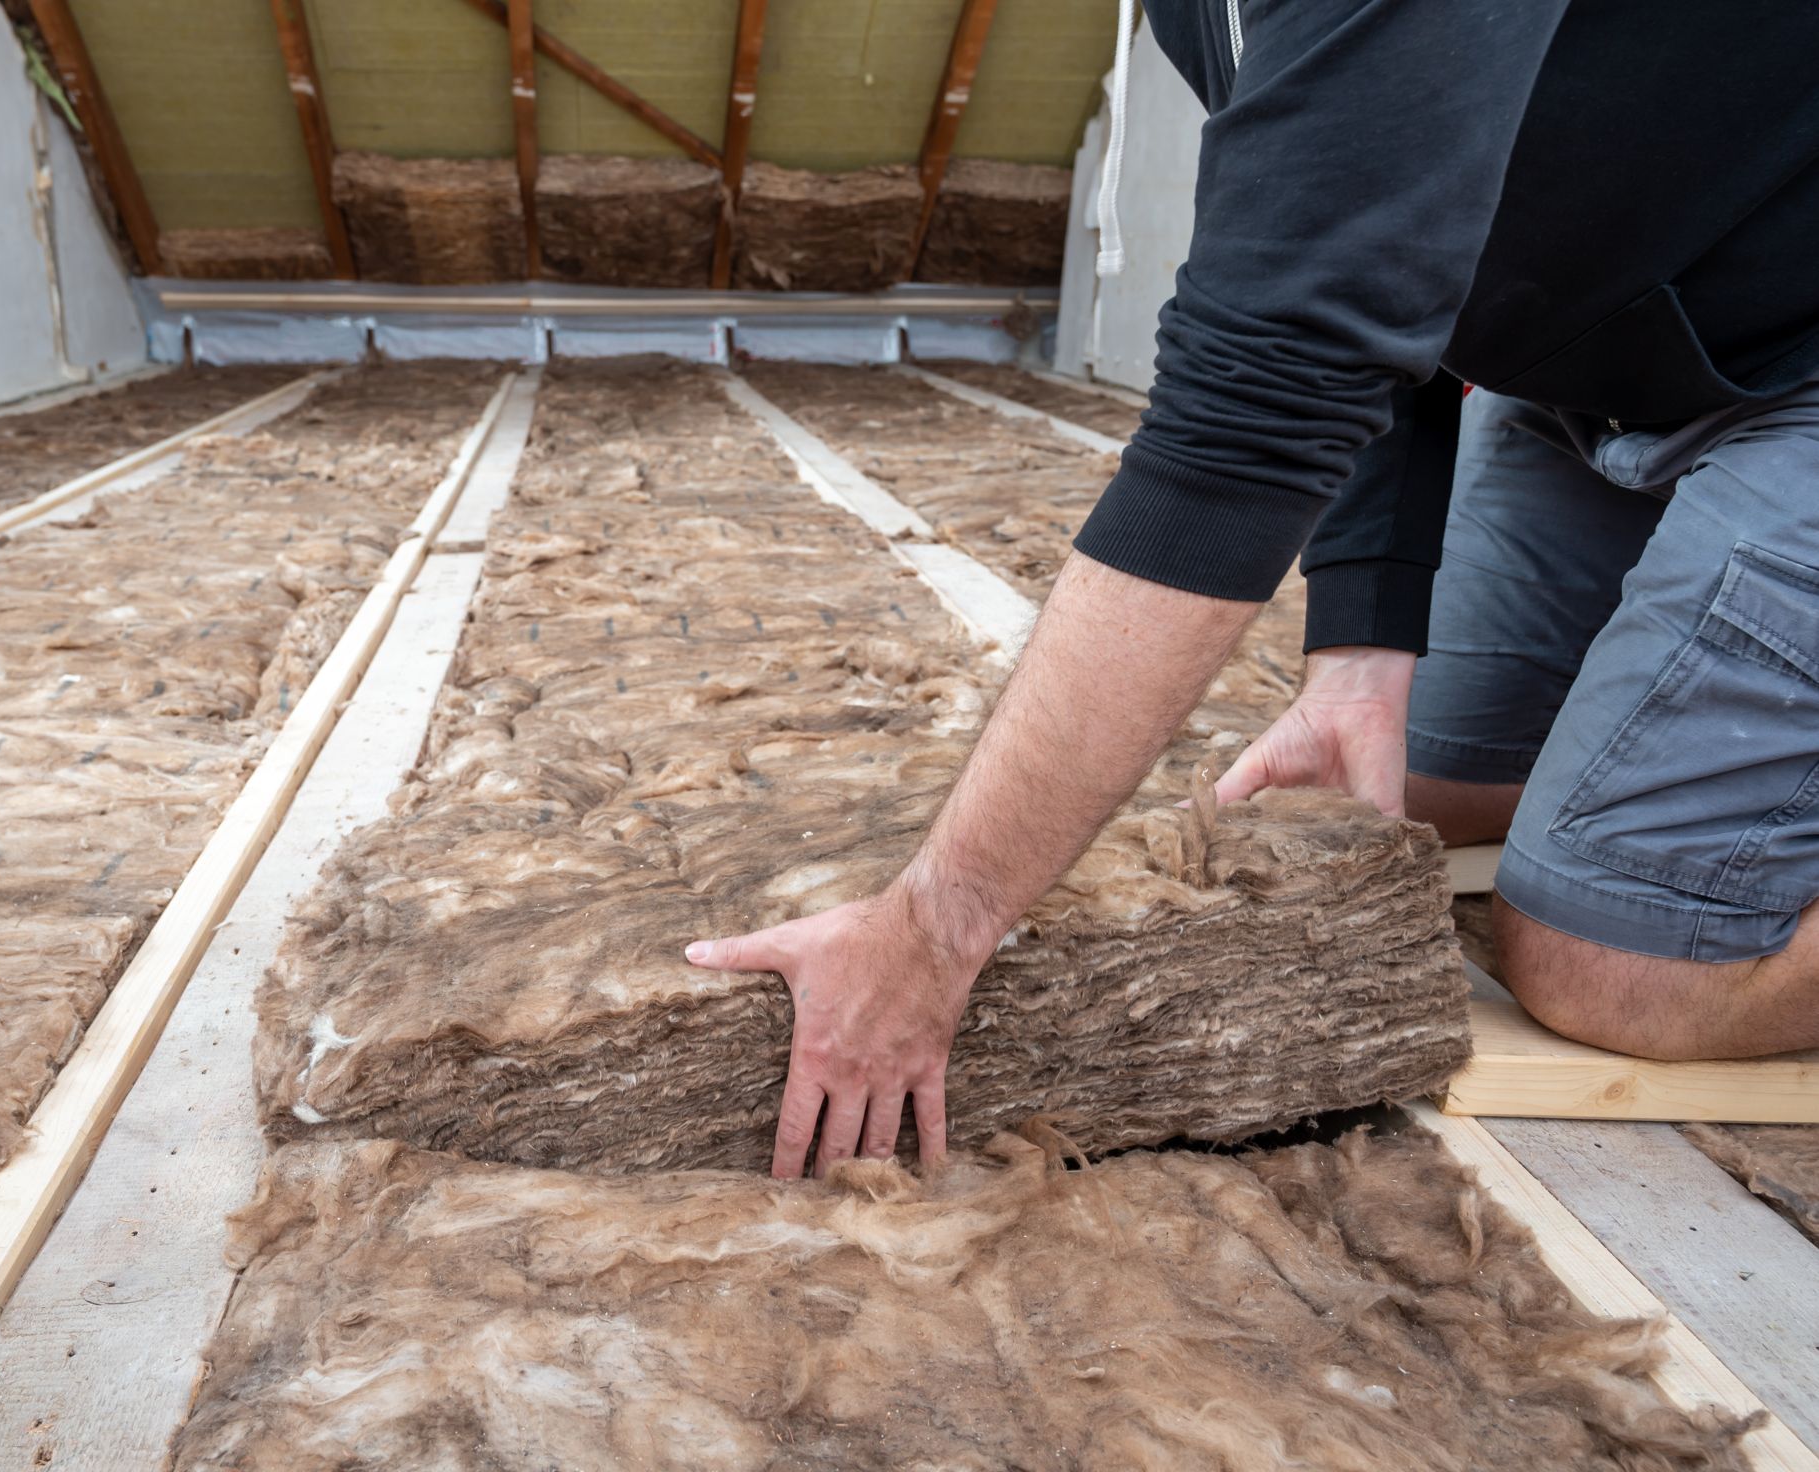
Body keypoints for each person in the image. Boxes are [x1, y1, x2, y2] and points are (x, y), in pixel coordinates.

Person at [688, 0, 1819, 1179]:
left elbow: (1261, 409)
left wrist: (936, 926)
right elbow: (1373, 256)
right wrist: (1360, 657)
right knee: (1420, 778)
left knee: (1606, 961)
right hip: (1614, 380)